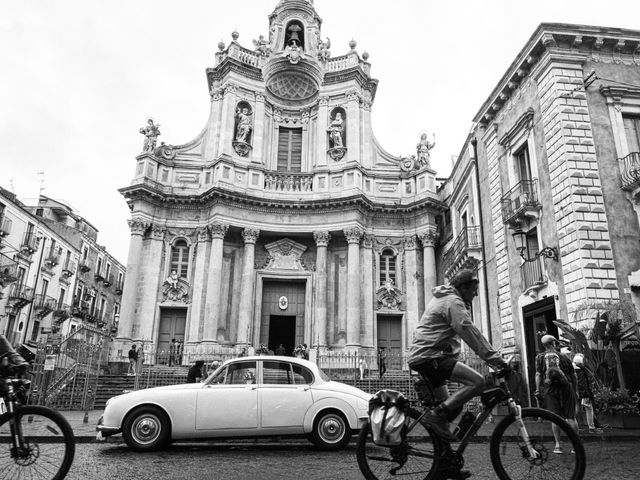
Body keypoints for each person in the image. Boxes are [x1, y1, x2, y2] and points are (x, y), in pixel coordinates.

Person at [407, 269, 509, 441]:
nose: (476, 294)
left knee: (451, 409)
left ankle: (444, 460)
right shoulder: (453, 302)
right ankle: (435, 416)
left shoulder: (444, 298)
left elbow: (449, 338)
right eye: (473, 290)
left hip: (425, 356)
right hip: (429, 356)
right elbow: (470, 333)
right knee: (477, 382)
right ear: (463, 287)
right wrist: (495, 360)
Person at [535, 334, 579, 454]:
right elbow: (573, 375)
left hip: (550, 389)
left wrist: (538, 389)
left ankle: (558, 445)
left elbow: (538, 374)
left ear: (544, 345)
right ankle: (575, 446)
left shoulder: (540, 357)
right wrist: (575, 389)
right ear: (554, 343)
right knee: (571, 417)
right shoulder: (564, 356)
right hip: (566, 387)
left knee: (555, 418)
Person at [573, 353, 603, 434]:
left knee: (577, 407)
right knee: (589, 408)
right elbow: (584, 383)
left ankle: (576, 426)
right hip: (584, 392)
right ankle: (591, 427)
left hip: (575, 391)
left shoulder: (573, 370)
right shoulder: (583, 370)